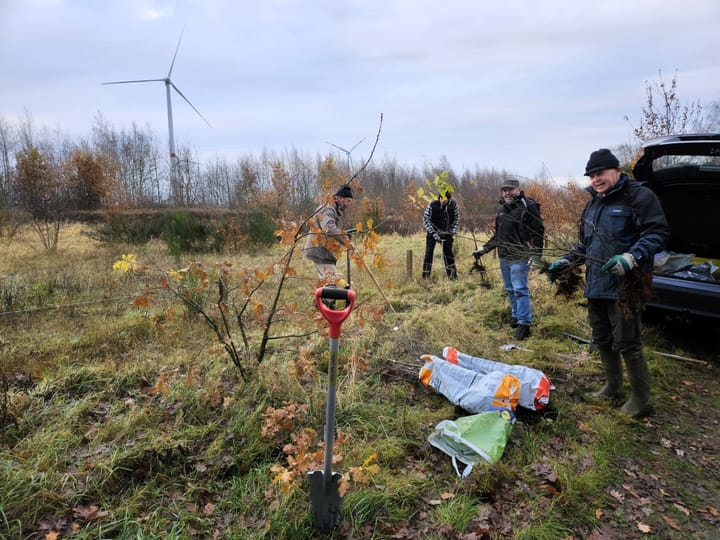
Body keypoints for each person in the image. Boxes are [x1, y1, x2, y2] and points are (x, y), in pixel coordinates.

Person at [546, 148, 669, 418]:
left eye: (600, 173)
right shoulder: (593, 203)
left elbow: (657, 233)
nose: (596, 179)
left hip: (626, 286)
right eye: (591, 175)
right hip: (596, 284)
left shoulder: (639, 196)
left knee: (628, 342)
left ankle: (641, 400)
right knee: (602, 338)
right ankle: (613, 386)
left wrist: (631, 257)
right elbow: (584, 245)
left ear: (616, 170)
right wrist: (566, 261)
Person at [473, 177, 544, 340]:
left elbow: (538, 231)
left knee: (520, 289)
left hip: (520, 255)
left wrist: (536, 254)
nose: (507, 193)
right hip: (504, 256)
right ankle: (516, 316)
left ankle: (525, 325)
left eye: (510, 190)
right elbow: (498, 236)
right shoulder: (502, 210)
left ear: (518, 190)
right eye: (504, 190)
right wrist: (484, 249)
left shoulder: (528, 206)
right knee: (510, 289)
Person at [304, 184, 354, 287]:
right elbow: (329, 228)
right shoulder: (328, 209)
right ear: (340, 198)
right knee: (331, 284)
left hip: (324, 252)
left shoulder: (334, 209)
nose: (349, 204)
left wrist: (345, 235)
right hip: (320, 251)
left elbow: (333, 228)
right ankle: (325, 302)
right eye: (348, 201)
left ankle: (321, 302)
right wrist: (346, 241)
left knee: (328, 284)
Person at [422, 190, 460, 280]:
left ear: (449, 199)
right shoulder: (432, 205)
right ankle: (426, 277)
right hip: (433, 232)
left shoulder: (453, 206)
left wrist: (451, 231)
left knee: (449, 255)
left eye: (445, 199)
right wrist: (433, 233)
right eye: (441, 199)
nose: (442, 201)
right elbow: (426, 219)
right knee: (428, 254)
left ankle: (452, 277)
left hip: (447, 232)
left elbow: (456, 220)